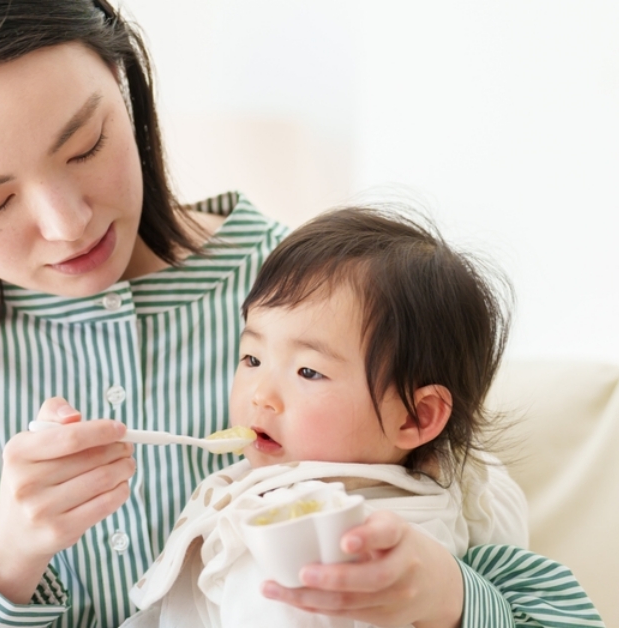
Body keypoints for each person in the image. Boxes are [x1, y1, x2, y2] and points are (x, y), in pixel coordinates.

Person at [0, 1, 604, 626]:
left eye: (87, 143)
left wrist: (443, 602)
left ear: (126, 77)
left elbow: (500, 565)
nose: (69, 223)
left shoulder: (333, 311)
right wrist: (1, 558)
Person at [123, 206, 556, 627]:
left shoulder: (293, 544)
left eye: (308, 371)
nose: (262, 395)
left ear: (416, 417)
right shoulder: (471, 484)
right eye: (251, 358)